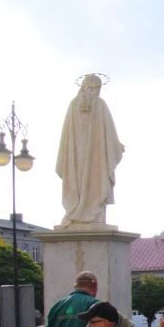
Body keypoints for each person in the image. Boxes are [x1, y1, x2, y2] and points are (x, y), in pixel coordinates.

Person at [55, 73, 124, 226]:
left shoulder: (75, 105)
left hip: (85, 157)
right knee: (94, 183)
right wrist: (115, 147)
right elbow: (110, 135)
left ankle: (79, 214)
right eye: (94, 89)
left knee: (88, 183)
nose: (95, 92)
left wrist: (114, 146)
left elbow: (108, 133)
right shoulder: (99, 105)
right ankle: (88, 214)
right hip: (93, 159)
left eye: (97, 89)